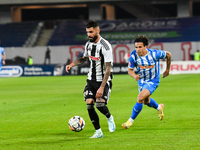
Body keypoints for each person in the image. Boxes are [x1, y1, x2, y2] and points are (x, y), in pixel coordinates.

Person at [66, 20, 115, 138]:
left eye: (91, 32)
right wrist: (72, 64)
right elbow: (85, 58)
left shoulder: (105, 46)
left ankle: (109, 117)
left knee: (100, 105)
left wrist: (102, 88)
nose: (89, 35)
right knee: (89, 103)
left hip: (103, 80)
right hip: (91, 79)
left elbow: (108, 68)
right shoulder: (88, 44)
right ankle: (98, 132)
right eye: (87, 32)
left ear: (98, 31)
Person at [122, 35, 171, 129]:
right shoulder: (133, 56)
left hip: (153, 80)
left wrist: (167, 70)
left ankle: (130, 121)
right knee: (146, 101)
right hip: (141, 81)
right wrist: (134, 76)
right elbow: (130, 70)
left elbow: (168, 54)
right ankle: (159, 108)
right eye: (136, 47)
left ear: (145, 47)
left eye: (140, 47)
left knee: (140, 98)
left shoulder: (154, 54)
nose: (138, 49)